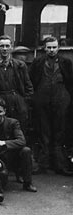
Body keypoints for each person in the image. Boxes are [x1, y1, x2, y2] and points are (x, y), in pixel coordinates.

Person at [29, 36, 73, 174]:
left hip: (61, 100)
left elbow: (70, 82)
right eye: (49, 47)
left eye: (54, 47)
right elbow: (32, 81)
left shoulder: (66, 63)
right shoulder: (38, 62)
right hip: (42, 101)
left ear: (58, 48)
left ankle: (59, 164)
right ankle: (43, 164)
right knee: (44, 132)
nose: (52, 50)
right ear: (44, 48)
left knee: (59, 131)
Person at [0, 98, 37, 192]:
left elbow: (21, 141)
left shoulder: (13, 122)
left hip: (11, 155)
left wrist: (3, 142)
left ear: (4, 111)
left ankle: (28, 183)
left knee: (26, 150)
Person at [0, 35, 34, 133]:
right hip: (0, 101)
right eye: (2, 46)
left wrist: (25, 101)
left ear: (11, 48)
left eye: (7, 46)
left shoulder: (20, 65)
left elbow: (28, 85)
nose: (4, 49)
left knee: (21, 127)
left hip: (18, 100)